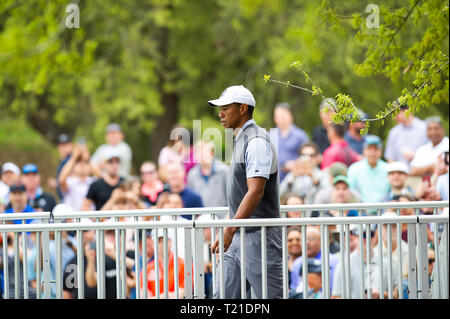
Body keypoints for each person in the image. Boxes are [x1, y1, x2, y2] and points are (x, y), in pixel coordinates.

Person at [208, 85, 283, 299]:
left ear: (242, 109)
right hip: (238, 235)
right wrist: (228, 228)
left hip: (260, 237)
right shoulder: (242, 139)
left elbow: (256, 191)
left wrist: (228, 230)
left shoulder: (257, 140)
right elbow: (241, 193)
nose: (220, 113)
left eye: (225, 108)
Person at [331, 224, 400, 299]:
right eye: (363, 235)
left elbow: (397, 294)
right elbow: (336, 296)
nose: (366, 238)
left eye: (371, 234)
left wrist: (382, 294)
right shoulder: (344, 264)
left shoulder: (386, 263)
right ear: (354, 237)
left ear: (375, 237)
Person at [290, 226, 339, 296]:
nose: (307, 242)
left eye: (311, 239)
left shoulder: (332, 261)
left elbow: (336, 291)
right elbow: (294, 289)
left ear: (320, 241)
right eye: (303, 239)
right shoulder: (297, 263)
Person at [140, 229, 185, 299]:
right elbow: (144, 296)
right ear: (153, 243)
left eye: (165, 240)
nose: (162, 244)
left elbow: (181, 294)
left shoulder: (183, 265)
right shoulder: (147, 269)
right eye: (159, 241)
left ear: (171, 241)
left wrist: (157, 297)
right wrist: (167, 296)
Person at [270, 102, 309, 182]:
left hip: (295, 179)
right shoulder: (270, 135)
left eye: (282, 115)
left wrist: (295, 163)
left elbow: (308, 157)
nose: (279, 118)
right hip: (274, 180)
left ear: (290, 115)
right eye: (276, 115)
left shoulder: (300, 135)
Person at [347, 135, 390, 206]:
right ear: (363, 150)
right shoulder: (354, 169)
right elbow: (350, 192)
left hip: (384, 211)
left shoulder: (388, 169)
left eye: (376, 149)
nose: (372, 152)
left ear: (381, 151)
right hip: (361, 211)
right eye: (369, 149)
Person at [187, 140, 229, 212]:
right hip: (201, 219)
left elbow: (231, 197)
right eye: (197, 152)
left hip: (222, 218)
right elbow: (191, 200)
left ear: (211, 153)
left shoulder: (224, 171)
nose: (199, 155)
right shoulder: (192, 174)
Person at [58, 143, 100, 211]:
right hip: (72, 220)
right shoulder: (70, 181)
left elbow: (101, 177)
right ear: (73, 168)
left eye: (85, 162)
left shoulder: (92, 182)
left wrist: (88, 158)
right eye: (79, 161)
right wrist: (74, 157)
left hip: (90, 219)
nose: (82, 164)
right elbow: (61, 180)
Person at [55, 133, 74, 200]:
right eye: (62, 145)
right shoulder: (63, 161)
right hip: (64, 198)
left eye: (66, 144)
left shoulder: (73, 160)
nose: (64, 148)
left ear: (71, 145)